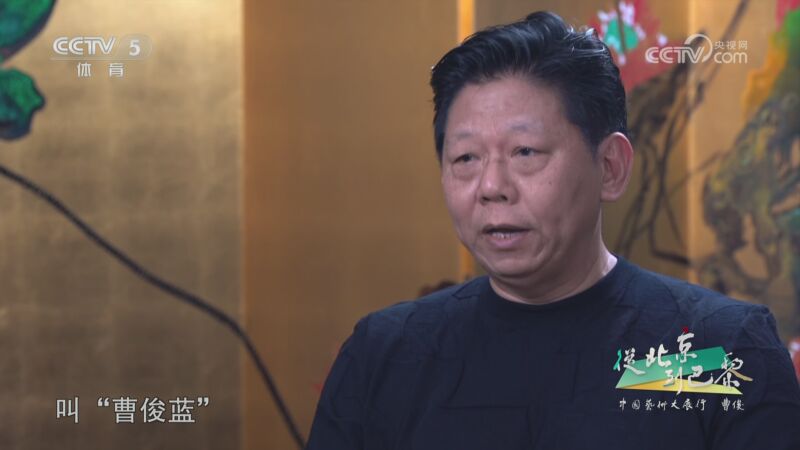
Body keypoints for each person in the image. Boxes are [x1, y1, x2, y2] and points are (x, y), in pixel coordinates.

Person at [306, 11, 800, 449]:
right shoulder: (385, 355)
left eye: (525, 152)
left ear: (610, 167)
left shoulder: (716, 351)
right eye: (466, 158)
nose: (491, 187)